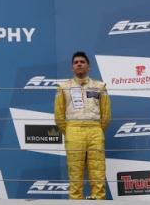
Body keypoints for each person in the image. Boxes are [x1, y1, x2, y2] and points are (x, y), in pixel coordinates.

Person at [55, 51, 111, 200]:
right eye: (76, 62)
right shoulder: (63, 87)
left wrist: (97, 129)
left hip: (95, 131)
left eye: (82, 62)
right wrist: (70, 130)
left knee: (98, 174)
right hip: (73, 130)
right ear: (72, 67)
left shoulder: (100, 86)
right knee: (75, 176)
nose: (79, 64)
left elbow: (106, 114)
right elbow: (59, 116)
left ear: (88, 66)